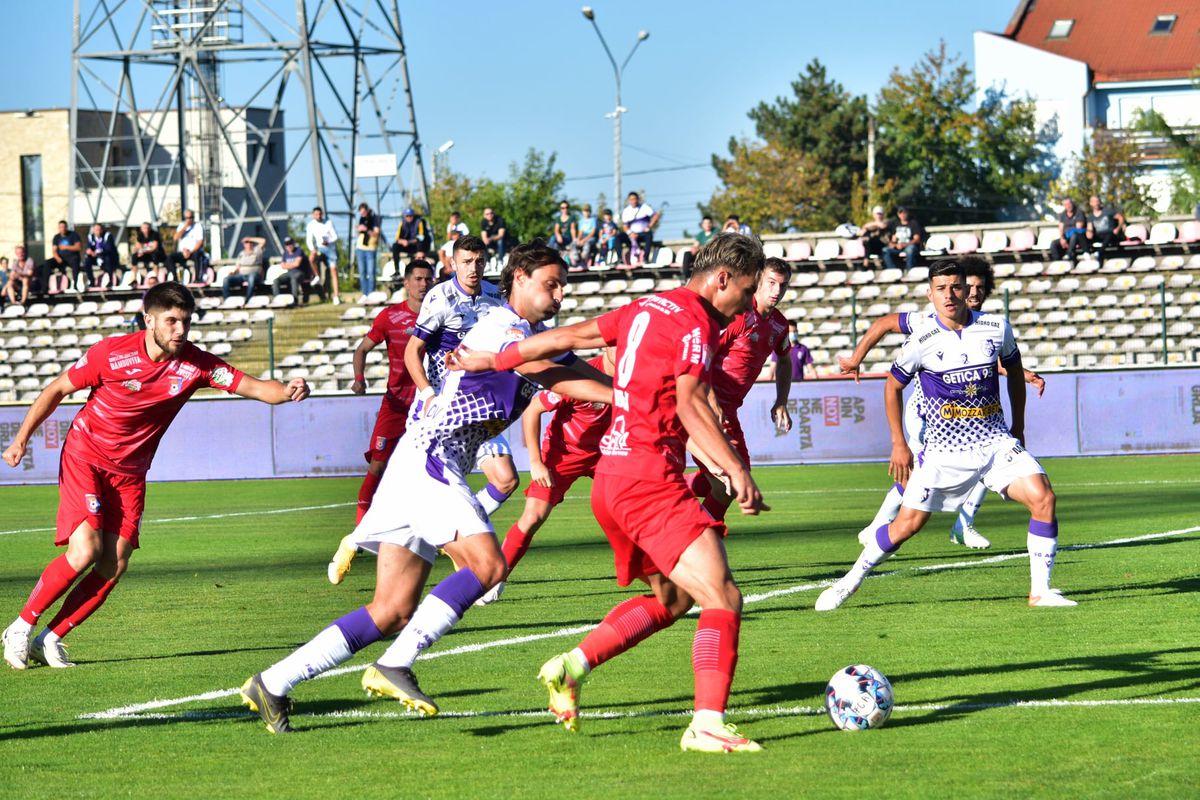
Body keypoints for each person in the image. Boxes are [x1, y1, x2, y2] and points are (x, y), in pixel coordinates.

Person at [241, 243, 610, 733]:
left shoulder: (534, 335)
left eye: (563, 285)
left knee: (391, 609)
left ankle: (272, 682)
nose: (561, 293)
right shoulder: (505, 327)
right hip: (432, 460)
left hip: (419, 460)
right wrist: (626, 395)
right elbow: (550, 373)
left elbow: (575, 368)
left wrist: (630, 391)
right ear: (518, 277)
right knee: (489, 565)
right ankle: (396, 664)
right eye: (552, 283)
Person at [449, 232, 769, 753]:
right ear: (723, 279)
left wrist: (495, 360)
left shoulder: (645, 307)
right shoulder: (693, 323)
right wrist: (736, 469)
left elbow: (564, 337)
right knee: (723, 596)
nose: (747, 305)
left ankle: (570, 667)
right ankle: (707, 724)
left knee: (674, 598)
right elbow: (690, 404)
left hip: (615, 481)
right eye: (748, 290)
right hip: (648, 482)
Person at [0, 282, 309, 671]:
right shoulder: (111, 354)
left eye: (186, 322)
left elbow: (255, 387)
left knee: (114, 563)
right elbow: (58, 388)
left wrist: (288, 389)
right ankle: (20, 627)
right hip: (86, 456)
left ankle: (52, 636)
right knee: (85, 551)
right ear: (149, 320)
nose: (181, 330)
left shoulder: (195, 363)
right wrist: (21, 439)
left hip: (131, 473)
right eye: (172, 321)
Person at [815, 260, 1073, 612]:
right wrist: (898, 444)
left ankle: (1040, 592)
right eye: (941, 288)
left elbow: (1013, 371)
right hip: (944, 452)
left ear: (968, 289)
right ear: (930, 294)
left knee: (1043, 498)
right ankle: (849, 582)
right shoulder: (921, 339)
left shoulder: (996, 328)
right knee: (906, 526)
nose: (949, 295)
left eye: (956, 287)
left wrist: (1019, 426)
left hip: (995, 443)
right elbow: (892, 389)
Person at [327, 235, 519, 582]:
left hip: (478, 407)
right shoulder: (440, 296)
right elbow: (413, 351)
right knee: (402, 491)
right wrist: (428, 393)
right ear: (453, 264)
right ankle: (355, 540)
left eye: (478, 261)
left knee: (505, 480)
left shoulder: (496, 297)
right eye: (466, 262)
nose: (473, 268)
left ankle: (454, 535)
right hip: (440, 407)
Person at [838, 258, 1045, 550]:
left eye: (979, 288)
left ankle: (962, 524)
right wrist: (856, 358)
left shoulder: (988, 327)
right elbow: (885, 323)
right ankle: (879, 528)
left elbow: (982, 363)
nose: (974, 293)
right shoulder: (927, 322)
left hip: (965, 416)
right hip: (928, 415)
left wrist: (1020, 374)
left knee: (986, 457)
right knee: (921, 472)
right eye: (969, 287)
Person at [492, 346, 616, 589]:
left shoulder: (636, 374)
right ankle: (495, 579)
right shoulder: (578, 375)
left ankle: (669, 574)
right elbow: (533, 409)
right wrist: (536, 463)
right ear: (604, 347)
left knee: (637, 509)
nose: (624, 350)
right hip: (564, 454)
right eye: (617, 345)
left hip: (609, 453)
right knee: (533, 517)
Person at [687, 257, 793, 522]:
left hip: (729, 411)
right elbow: (703, 355)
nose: (776, 291)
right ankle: (697, 540)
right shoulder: (738, 316)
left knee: (732, 478)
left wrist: (781, 400)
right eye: (771, 283)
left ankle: (673, 488)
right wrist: (709, 397)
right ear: (758, 281)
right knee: (732, 483)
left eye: (783, 285)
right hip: (705, 408)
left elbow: (785, 360)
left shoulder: (779, 324)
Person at [337, 259, 435, 532]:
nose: (423, 284)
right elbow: (362, 350)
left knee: (431, 469)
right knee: (377, 467)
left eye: (428, 279)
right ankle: (359, 532)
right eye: (418, 279)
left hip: (429, 405)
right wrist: (359, 379)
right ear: (406, 283)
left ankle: (432, 533)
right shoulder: (390, 316)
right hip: (395, 404)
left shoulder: (442, 316)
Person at [306, 206, 342, 305]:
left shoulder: (328, 222)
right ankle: (317, 275)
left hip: (330, 249)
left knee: (333, 271)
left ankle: (336, 295)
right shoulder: (310, 225)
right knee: (311, 257)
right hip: (319, 249)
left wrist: (328, 241)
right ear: (313, 215)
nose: (318, 216)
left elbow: (335, 236)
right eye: (316, 214)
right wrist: (312, 249)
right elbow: (309, 240)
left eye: (320, 214)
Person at [37, 220, 82, 296]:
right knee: (47, 263)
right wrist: (57, 257)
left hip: (71, 257)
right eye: (60, 227)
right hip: (60, 258)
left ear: (66, 227)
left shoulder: (73, 235)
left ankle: (75, 285)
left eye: (64, 227)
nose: (62, 229)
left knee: (75, 262)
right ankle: (45, 287)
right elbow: (54, 250)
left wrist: (66, 247)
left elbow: (78, 247)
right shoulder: (57, 237)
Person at [271, 237, 318, 303]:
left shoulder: (299, 251)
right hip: (289, 273)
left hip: (301, 273)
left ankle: (294, 300)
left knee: (294, 278)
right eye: (287, 244)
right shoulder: (285, 253)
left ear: (293, 244)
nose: (289, 246)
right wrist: (292, 264)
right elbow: (283, 266)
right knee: (276, 280)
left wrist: (288, 264)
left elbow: (297, 264)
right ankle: (277, 300)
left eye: (290, 243)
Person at [619, 192, 659, 266]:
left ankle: (645, 258)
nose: (633, 201)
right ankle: (620, 259)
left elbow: (655, 215)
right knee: (618, 237)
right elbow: (625, 226)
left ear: (637, 199)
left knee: (649, 235)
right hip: (631, 235)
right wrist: (630, 233)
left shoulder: (645, 207)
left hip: (643, 233)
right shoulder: (626, 211)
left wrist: (649, 226)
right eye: (631, 199)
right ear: (628, 200)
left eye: (635, 199)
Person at [1086, 195, 1125, 266]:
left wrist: (1118, 228)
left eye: (1097, 201)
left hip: (1111, 234)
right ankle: (1087, 254)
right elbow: (1090, 228)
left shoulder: (1108, 211)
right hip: (1099, 235)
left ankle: (1099, 252)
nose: (1096, 203)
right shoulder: (1090, 216)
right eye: (1094, 202)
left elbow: (1121, 218)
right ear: (1091, 203)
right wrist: (1089, 232)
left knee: (1109, 234)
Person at [222, 236, 265, 301]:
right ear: (244, 244)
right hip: (242, 276)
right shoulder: (241, 254)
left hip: (255, 275)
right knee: (226, 279)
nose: (248, 244)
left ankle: (248, 299)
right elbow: (238, 267)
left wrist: (249, 238)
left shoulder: (257, 250)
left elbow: (263, 241)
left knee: (251, 278)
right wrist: (233, 272)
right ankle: (227, 300)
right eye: (246, 242)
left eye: (250, 242)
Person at [168, 210, 205, 281]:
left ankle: (197, 279)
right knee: (170, 258)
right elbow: (175, 238)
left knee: (197, 256)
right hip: (183, 252)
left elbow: (200, 242)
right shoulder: (182, 225)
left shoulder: (198, 226)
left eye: (191, 217)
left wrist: (190, 252)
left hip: (193, 251)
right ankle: (175, 278)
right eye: (187, 218)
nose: (189, 219)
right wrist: (185, 227)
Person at [355, 202, 382, 296]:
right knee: (362, 273)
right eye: (361, 213)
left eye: (363, 212)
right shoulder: (362, 219)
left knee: (371, 272)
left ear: (367, 210)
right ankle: (364, 294)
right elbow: (359, 233)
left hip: (371, 248)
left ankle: (371, 293)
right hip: (360, 248)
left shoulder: (375, 219)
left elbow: (376, 234)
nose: (362, 214)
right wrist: (358, 229)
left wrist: (366, 229)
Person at [1049, 197, 1087, 264]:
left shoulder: (1079, 213)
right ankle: (1057, 262)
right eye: (1066, 205)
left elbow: (1078, 227)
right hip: (1066, 237)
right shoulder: (1063, 214)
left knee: (1074, 236)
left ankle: (1069, 256)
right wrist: (1062, 239)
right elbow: (1061, 227)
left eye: (1069, 204)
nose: (1068, 206)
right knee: (1054, 244)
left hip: (1079, 238)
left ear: (1072, 204)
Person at [84, 223, 121, 288]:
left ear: (101, 230)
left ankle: (110, 280)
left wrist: (97, 252)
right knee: (87, 261)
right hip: (96, 257)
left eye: (99, 229)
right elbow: (89, 247)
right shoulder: (90, 237)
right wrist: (89, 251)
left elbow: (109, 248)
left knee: (108, 258)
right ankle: (91, 281)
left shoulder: (107, 235)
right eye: (95, 230)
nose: (97, 231)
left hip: (107, 256)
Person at [572, 203, 598, 268]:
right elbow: (581, 232)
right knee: (573, 243)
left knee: (587, 244)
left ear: (590, 212)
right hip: (583, 236)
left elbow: (592, 232)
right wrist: (578, 239)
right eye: (585, 211)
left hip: (590, 237)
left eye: (587, 211)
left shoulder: (593, 220)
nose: (586, 213)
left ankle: (584, 260)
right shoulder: (581, 221)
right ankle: (576, 260)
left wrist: (584, 240)